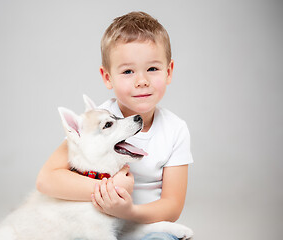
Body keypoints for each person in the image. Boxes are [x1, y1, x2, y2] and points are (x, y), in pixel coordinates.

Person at [36, 11, 193, 240]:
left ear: (168, 72)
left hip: (145, 227)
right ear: (107, 76)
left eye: (152, 69)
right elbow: (46, 179)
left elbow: (172, 206)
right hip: (96, 226)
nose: (142, 81)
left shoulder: (175, 129)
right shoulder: (98, 121)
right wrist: (111, 189)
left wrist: (128, 211)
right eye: (128, 71)